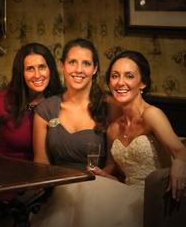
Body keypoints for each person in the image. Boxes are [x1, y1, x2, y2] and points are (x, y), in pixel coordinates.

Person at [30, 39, 143, 227]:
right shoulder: (46, 109)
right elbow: (40, 159)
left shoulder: (111, 107)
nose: (79, 70)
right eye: (72, 62)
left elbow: (115, 162)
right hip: (58, 190)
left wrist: (90, 179)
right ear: (62, 66)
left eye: (86, 64)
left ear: (95, 68)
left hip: (99, 186)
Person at [91, 50, 186, 201]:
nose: (120, 82)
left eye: (129, 76)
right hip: (125, 195)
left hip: (157, 197)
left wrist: (179, 163)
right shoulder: (113, 129)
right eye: (115, 76)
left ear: (143, 83)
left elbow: (182, 151)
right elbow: (117, 172)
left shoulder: (152, 115)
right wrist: (99, 174)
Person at [0, 43, 64, 160]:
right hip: (8, 172)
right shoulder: (2, 101)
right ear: (21, 73)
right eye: (30, 69)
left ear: (50, 69)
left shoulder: (61, 100)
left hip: (50, 172)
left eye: (42, 67)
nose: (37, 75)